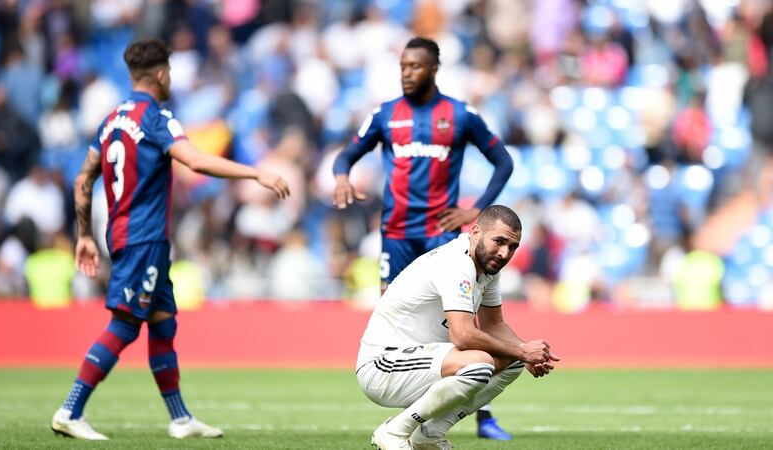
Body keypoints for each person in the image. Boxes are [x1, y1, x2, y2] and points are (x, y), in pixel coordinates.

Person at [50, 38, 290, 440]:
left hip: (130, 236)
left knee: (163, 324)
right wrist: (256, 173)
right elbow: (194, 161)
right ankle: (70, 409)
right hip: (143, 237)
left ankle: (180, 418)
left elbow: (82, 179)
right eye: (170, 72)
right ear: (161, 75)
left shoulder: (111, 119)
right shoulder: (156, 117)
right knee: (125, 325)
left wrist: (84, 236)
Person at [333, 37, 516, 439]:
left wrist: (478, 212)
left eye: (415, 66)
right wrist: (342, 177)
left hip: (440, 234)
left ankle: (477, 415)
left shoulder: (460, 115)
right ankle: (415, 417)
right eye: (402, 66)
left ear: (434, 69)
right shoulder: (385, 115)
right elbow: (345, 155)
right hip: (396, 234)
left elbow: (503, 161)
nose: (406, 73)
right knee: (401, 320)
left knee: (454, 322)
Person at [356, 205, 559, 449]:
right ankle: (395, 432)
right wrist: (522, 351)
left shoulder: (487, 268)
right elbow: (463, 336)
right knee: (481, 362)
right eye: (499, 241)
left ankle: (430, 434)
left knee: (512, 359)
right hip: (383, 366)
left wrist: (525, 352)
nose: (505, 253)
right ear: (475, 232)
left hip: (424, 362)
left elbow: (493, 324)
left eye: (513, 246)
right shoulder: (456, 263)